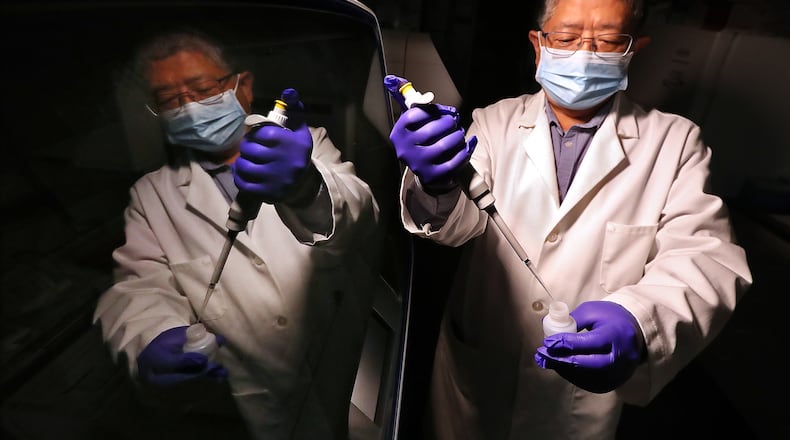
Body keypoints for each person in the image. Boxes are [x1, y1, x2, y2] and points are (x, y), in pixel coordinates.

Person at [386, 0, 752, 438]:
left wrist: (638, 320)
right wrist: (438, 184)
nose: (586, 54)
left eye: (609, 40)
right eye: (566, 37)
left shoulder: (675, 143)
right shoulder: (495, 121)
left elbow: (706, 258)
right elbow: (460, 224)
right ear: (538, 46)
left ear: (634, 49)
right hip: (482, 364)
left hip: (574, 403)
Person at [93, 29, 380, 439]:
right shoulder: (152, 195)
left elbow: (361, 213)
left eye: (201, 89)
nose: (188, 108)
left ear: (241, 87)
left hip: (330, 376)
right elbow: (141, 287)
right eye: (169, 100)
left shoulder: (306, 145)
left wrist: (305, 187)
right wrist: (151, 337)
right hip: (248, 407)